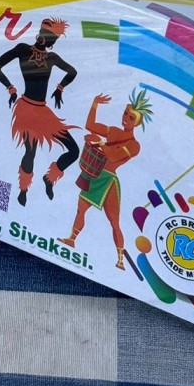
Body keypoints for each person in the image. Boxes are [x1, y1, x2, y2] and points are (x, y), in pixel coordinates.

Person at [59, 89, 152, 269]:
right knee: (81, 208)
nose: (125, 118)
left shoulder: (134, 145)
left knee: (114, 222)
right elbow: (90, 125)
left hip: (108, 180)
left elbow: (113, 157)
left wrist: (100, 142)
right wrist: (95, 103)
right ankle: (71, 239)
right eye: (125, 113)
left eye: (131, 118)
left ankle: (120, 260)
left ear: (137, 123)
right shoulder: (114, 131)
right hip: (95, 173)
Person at [0, 17, 79, 206]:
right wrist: (10, 88)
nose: (48, 41)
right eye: (48, 36)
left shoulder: (52, 58)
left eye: (52, 39)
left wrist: (60, 88)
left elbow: (72, 71)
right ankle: (23, 190)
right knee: (30, 152)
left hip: (43, 112)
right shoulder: (23, 49)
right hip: (26, 110)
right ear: (41, 34)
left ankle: (49, 178)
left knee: (74, 150)